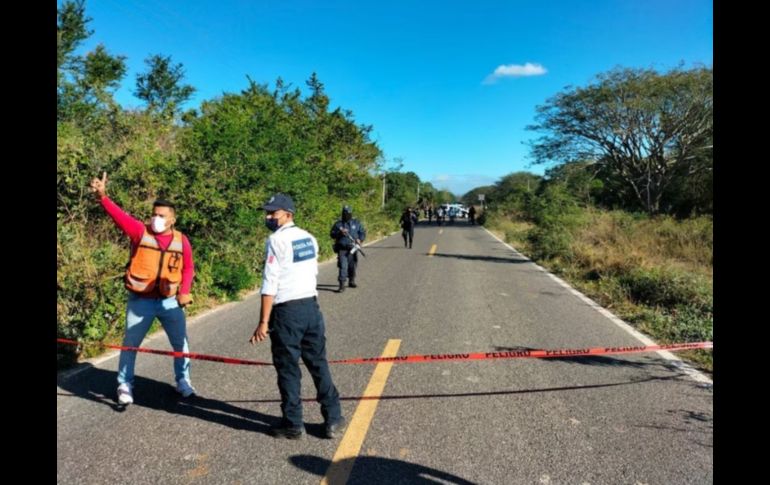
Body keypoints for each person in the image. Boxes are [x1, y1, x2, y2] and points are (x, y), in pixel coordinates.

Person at [89, 172, 196, 406]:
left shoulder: (182, 240)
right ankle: (124, 384)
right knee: (130, 345)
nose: (156, 218)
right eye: (154, 214)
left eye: (161, 216)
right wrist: (102, 197)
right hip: (141, 301)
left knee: (181, 344)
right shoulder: (140, 231)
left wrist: (185, 291)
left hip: (170, 301)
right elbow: (119, 216)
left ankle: (183, 381)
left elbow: (188, 268)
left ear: (172, 220)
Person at [249, 193, 345, 440]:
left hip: (287, 312)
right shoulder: (309, 238)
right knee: (318, 363)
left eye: (273, 213)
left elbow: (270, 282)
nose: (268, 217)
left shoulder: (276, 240)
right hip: (310, 307)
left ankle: (293, 423)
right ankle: (333, 418)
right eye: (267, 213)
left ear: (288, 214)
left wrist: (263, 322)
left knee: (288, 368)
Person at [329, 205, 366, 292]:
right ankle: (342, 285)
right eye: (344, 213)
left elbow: (362, 233)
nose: (346, 215)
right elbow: (332, 234)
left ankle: (351, 280)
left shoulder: (356, 223)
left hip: (353, 249)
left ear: (350, 213)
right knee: (343, 266)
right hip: (342, 249)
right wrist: (339, 233)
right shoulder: (338, 224)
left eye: (347, 213)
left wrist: (360, 239)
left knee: (352, 266)